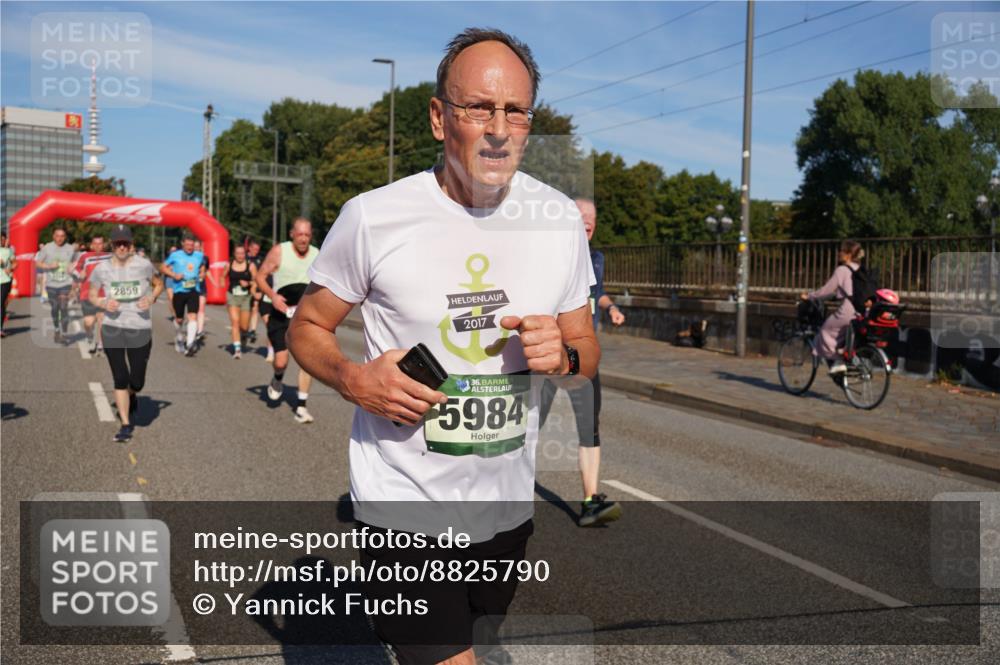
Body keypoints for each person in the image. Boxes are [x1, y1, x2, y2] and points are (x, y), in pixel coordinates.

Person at [287, 28, 598, 665]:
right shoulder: (375, 217)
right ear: (438, 117)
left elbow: (586, 352)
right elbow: (306, 327)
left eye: (516, 110)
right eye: (478, 108)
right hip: (403, 503)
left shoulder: (559, 219)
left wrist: (561, 357)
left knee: (477, 637)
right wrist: (353, 380)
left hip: (505, 506)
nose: (498, 128)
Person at [538, 197, 623, 527]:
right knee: (529, 425)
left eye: (592, 216)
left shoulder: (595, 259)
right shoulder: (547, 255)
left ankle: (590, 501)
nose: (587, 220)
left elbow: (595, 292)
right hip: (547, 357)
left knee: (589, 427)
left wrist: (610, 307)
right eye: (580, 215)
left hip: (582, 358)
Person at [89, 225, 163, 443]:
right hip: (113, 327)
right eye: (117, 243)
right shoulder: (101, 269)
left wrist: (151, 298)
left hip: (140, 328)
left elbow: (158, 284)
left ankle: (133, 394)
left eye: (125, 243)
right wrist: (103, 301)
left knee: (137, 381)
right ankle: (125, 424)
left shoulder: (144, 265)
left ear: (131, 245)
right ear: (112, 245)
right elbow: (92, 294)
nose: (121, 247)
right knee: (120, 377)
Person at [255, 219, 318, 424]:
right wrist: (273, 296)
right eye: (299, 234)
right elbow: (260, 277)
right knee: (281, 361)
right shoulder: (279, 251)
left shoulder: (318, 255)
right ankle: (278, 377)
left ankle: (301, 406)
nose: (303, 239)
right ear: (292, 234)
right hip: (280, 312)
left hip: (304, 316)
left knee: (307, 361)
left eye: (307, 235)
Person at [801, 239, 865, 375]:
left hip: (849, 310)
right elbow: (846, 291)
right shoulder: (860, 269)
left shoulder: (842, 269)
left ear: (848, 255)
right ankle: (847, 362)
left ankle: (838, 362)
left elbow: (827, 290)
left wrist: (810, 296)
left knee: (825, 330)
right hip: (863, 310)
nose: (839, 253)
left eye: (841, 250)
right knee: (842, 334)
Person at [161, 234, 205, 356]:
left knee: (192, 316)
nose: (190, 247)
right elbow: (162, 267)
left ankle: (190, 344)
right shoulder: (175, 255)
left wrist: (202, 274)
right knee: (179, 319)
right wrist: (174, 275)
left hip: (193, 290)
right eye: (188, 245)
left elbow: (203, 267)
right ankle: (179, 336)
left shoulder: (199, 255)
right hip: (179, 290)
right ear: (182, 244)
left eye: (192, 245)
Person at [35, 228, 78, 343]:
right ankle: (57, 329)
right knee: (55, 309)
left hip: (66, 283)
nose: (60, 238)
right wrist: (49, 266)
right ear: (53, 236)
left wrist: (73, 268)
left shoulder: (70, 248)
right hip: (51, 284)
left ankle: (63, 333)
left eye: (62, 236)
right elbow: (38, 263)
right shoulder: (47, 248)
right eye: (57, 236)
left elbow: (76, 263)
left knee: (63, 307)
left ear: (65, 237)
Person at [73, 235, 111, 355]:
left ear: (103, 245)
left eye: (100, 244)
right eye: (96, 244)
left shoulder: (109, 256)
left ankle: (100, 344)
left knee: (102, 319)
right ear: (92, 245)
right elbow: (75, 269)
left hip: (103, 294)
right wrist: (80, 273)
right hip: (87, 293)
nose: (98, 246)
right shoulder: (85, 256)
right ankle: (90, 338)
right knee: (89, 322)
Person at [226, 244, 257, 359]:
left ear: (245, 254)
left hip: (246, 297)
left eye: (242, 253)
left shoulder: (251, 266)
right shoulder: (229, 264)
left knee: (244, 326)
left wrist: (248, 283)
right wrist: (220, 284)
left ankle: (244, 335)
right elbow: (222, 276)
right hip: (232, 296)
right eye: (238, 253)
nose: (240, 256)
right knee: (235, 322)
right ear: (234, 254)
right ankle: (237, 350)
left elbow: (256, 281)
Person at [246, 239, 264, 345]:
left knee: (255, 308)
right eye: (254, 249)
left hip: (256, 286)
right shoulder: (244, 258)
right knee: (246, 309)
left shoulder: (260, 260)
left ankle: (252, 330)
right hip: (244, 287)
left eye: (258, 249)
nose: (256, 251)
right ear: (249, 248)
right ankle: (244, 328)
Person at [193, 239, 210, 343]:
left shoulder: (205, 258)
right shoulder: (188, 258)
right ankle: (193, 328)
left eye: (197, 247)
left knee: (201, 308)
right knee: (193, 309)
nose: (195, 249)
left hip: (201, 285)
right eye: (194, 247)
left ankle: (200, 331)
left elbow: (206, 271)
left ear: (200, 247)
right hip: (190, 286)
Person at [0, 231, 16, 338]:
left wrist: (10, 269)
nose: (1, 240)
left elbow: (15, 263)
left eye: (2, 238)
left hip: (5, 280)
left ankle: (0, 328)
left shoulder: (8, 251)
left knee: (1, 303)